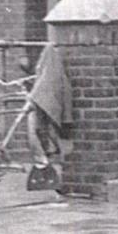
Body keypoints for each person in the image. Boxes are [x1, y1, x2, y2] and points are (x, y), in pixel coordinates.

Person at [25, 42, 71, 192]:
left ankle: (44, 162)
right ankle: (45, 162)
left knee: (37, 125)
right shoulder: (53, 59)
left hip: (41, 96)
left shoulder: (52, 58)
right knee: (39, 125)